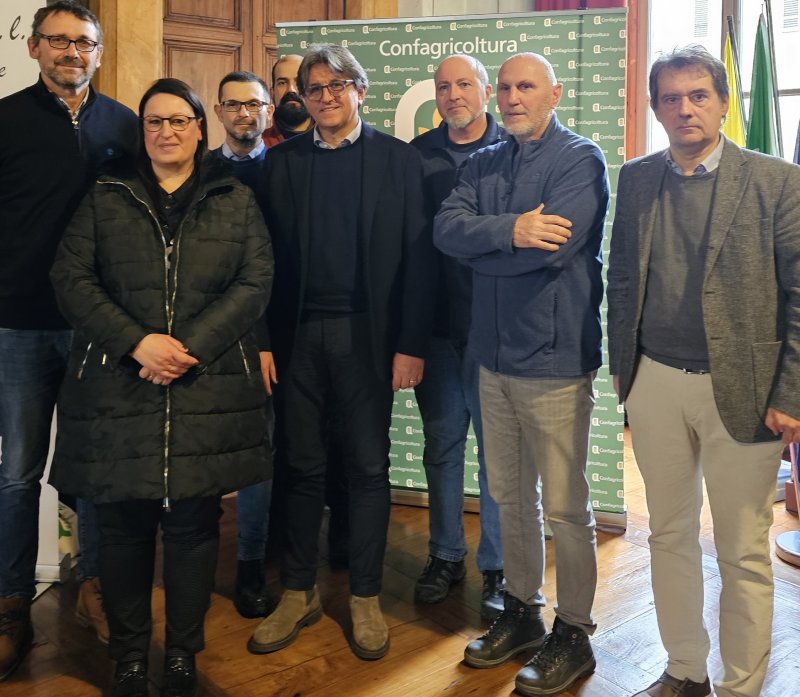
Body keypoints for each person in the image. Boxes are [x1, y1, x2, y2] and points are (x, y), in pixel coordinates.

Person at [48, 78, 273, 697]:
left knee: (195, 529)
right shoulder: (106, 195)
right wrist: (136, 343)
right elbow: (72, 278)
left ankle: (180, 655)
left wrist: (188, 348)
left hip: (206, 385)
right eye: (154, 121)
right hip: (119, 385)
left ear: (200, 129)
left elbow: (255, 281)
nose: (166, 131)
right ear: (141, 131)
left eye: (179, 120)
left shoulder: (234, 197)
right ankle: (127, 657)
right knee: (123, 528)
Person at [607, 45, 800, 697]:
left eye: (698, 95)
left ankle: (742, 685)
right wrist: (623, 365)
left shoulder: (776, 181)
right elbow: (622, 277)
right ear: (655, 108)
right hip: (654, 381)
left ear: (722, 103)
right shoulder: (636, 178)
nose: (684, 108)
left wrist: (793, 391)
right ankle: (684, 669)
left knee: (743, 549)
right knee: (668, 534)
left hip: (745, 388)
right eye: (671, 98)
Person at [249, 44, 435, 661]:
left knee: (367, 468)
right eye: (314, 88)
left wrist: (411, 345)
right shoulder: (282, 163)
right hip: (298, 338)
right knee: (300, 465)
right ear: (302, 98)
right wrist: (264, 340)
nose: (325, 97)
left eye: (337, 85)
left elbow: (420, 261)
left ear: (360, 90)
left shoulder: (399, 160)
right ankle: (298, 591)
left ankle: (364, 596)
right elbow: (262, 262)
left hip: (368, 338)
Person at [434, 52, 608, 696]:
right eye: (504, 87)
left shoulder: (579, 159)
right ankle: (523, 611)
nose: (511, 98)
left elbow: (554, 249)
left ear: (553, 94)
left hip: (554, 360)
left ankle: (576, 631)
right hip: (492, 357)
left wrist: (485, 248)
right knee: (509, 497)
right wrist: (512, 231)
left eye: (525, 86)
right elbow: (445, 231)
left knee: (565, 507)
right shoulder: (482, 162)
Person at [0, 0, 138, 680]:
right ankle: (10, 606)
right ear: (34, 48)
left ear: (99, 53)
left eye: (83, 42)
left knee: (95, 472)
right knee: (17, 473)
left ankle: (94, 588)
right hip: (19, 324)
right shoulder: (4, 121)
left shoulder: (126, 125)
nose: (70, 52)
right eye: (57, 40)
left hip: (98, 328)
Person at [409, 55, 505, 618]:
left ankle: (497, 567)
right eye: (443, 87)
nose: (453, 95)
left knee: (498, 457)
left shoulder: (514, 151)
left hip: (496, 333)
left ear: (485, 91)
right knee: (442, 449)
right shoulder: (416, 155)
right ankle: (445, 555)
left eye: (464, 84)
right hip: (438, 333)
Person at [211, 70, 276, 620]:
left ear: (268, 110)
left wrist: (265, 339)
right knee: (204, 448)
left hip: (267, 335)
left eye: (254, 104)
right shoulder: (199, 170)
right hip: (205, 333)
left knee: (260, 449)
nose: (244, 114)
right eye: (234, 105)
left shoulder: (285, 168)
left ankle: (251, 562)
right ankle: (196, 554)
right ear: (218, 112)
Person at [262, 54, 314, 146]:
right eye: (282, 83)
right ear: (272, 93)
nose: (291, 90)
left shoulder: (330, 141)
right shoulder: (259, 145)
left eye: (299, 82)